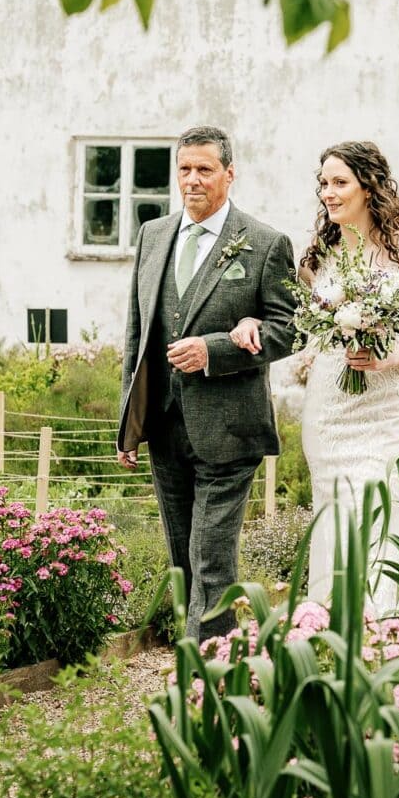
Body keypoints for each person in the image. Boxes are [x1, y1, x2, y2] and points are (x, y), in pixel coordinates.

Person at [229, 141, 399, 605]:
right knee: (338, 516)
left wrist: (385, 358)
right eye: (323, 183)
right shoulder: (315, 260)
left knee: (394, 516)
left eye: (339, 182)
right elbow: (290, 322)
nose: (328, 193)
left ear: (369, 187)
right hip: (331, 408)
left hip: (391, 409)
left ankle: (393, 629)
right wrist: (251, 322)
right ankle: (336, 628)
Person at [117, 125, 297, 640]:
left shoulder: (264, 244)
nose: (192, 180)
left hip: (229, 426)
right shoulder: (153, 235)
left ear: (229, 174)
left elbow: (290, 329)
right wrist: (127, 422)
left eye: (205, 169)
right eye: (184, 169)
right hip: (165, 424)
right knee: (184, 560)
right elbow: (138, 332)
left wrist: (215, 350)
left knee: (213, 559)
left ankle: (208, 676)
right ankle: (203, 657)